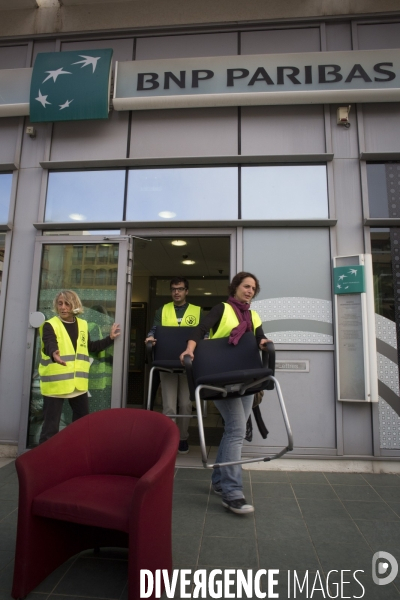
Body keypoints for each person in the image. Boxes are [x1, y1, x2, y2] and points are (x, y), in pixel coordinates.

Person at [179, 272, 270, 515]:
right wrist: (189, 349)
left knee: (233, 430)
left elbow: (259, 338)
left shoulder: (253, 315)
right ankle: (232, 492)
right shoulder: (222, 308)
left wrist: (263, 342)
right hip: (223, 377)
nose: (250, 291)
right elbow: (200, 330)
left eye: (253, 288)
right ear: (235, 287)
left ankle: (219, 481)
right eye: (246, 286)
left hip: (247, 376)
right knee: (237, 430)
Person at [38, 290, 121, 444]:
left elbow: (91, 347)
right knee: (50, 428)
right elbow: (50, 342)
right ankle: (43, 463)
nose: (63, 307)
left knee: (81, 425)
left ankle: (75, 456)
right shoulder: (50, 325)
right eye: (60, 303)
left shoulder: (83, 325)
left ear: (74, 305)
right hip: (56, 385)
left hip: (78, 385)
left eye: (67, 303)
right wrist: (53, 353)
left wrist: (109, 338)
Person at [145, 277, 201, 454]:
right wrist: (150, 338)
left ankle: (182, 437)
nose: (176, 292)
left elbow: (203, 333)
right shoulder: (162, 310)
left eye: (180, 289)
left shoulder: (197, 311)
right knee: (169, 405)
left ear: (186, 291)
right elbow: (154, 330)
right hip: (167, 363)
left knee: (185, 404)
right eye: (173, 289)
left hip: (188, 364)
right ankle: (170, 439)